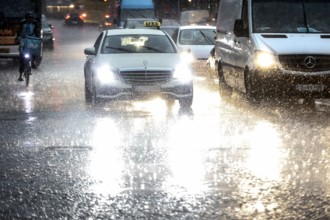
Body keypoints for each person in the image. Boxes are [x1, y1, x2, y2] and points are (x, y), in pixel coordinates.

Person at [16, 12, 41, 81]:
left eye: (30, 18)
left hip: (31, 40)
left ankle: (33, 63)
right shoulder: (22, 23)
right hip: (23, 40)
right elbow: (18, 32)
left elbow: (37, 32)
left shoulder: (35, 23)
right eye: (28, 18)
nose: (29, 20)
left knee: (35, 52)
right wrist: (18, 38)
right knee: (21, 57)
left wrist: (39, 38)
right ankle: (20, 75)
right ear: (26, 18)